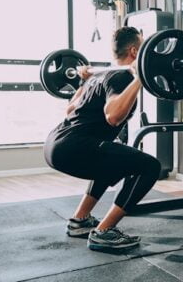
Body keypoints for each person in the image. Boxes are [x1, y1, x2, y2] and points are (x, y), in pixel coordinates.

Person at [43, 26, 161, 251]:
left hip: (55, 143)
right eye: (144, 47)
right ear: (135, 52)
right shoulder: (123, 77)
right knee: (150, 167)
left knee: (111, 157)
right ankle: (104, 232)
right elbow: (113, 117)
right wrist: (139, 79)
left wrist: (82, 82)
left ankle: (80, 220)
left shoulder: (99, 76)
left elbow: (70, 110)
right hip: (73, 146)